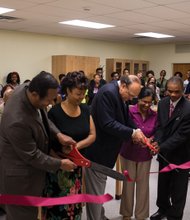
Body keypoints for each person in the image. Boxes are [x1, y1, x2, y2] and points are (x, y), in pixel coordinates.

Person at [0, 71, 77, 220]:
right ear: (35, 94)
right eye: (48, 100)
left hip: (31, 173)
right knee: (23, 216)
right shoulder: (17, 121)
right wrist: (60, 163)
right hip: (19, 180)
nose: (50, 103)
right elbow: (33, 155)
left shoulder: (27, 87)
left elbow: (42, 118)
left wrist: (58, 134)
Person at [84, 75, 146, 220]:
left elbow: (125, 118)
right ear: (123, 85)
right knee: (95, 193)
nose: (131, 99)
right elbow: (107, 123)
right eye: (130, 95)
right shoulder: (108, 93)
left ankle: (100, 215)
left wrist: (137, 130)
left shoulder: (118, 92)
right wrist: (132, 133)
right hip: (98, 150)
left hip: (107, 150)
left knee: (98, 189)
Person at [44, 71, 96, 220]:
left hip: (77, 165)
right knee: (58, 208)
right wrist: (60, 161)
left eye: (83, 93)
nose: (81, 97)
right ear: (67, 91)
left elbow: (92, 135)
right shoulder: (55, 112)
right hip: (59, 166)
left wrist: (76, 147)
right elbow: (47, 143)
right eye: (78, 94)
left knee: (75, 207)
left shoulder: (86, 109)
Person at [150, 76, 190, 220]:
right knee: (163, 184)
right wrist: (157, 141)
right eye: (170, 91)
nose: (173, 95)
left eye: (176, 92)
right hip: (164, 154)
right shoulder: (163, 103)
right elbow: (160, 127)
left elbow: (181, 135)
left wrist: (161, 146)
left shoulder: (188, 108)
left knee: (178, 188)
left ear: (183, 90)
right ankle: (162, 209)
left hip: (181, 155)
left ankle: (175, 215)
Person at [120, 87, 157, 220]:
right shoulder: (129, 111)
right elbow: (123, 129)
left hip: (145, 156)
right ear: (138, 99)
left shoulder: (154, 115)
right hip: (128, 153)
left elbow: (157, 132)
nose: (147, 105)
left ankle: (141, 215)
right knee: (128, 185)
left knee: (143, 186)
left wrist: (151, 139)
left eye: (149, 102)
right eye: (144, 101)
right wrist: (133, 137)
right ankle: (126, 214)